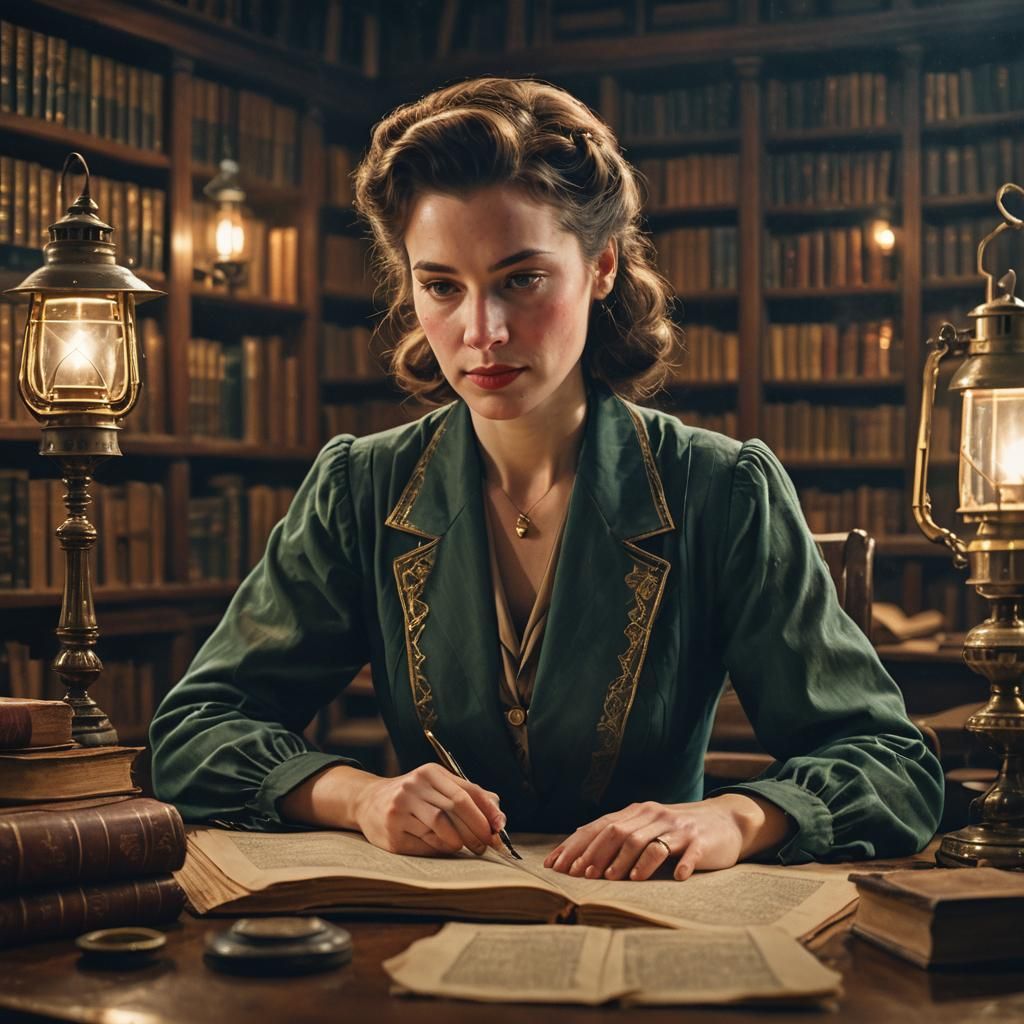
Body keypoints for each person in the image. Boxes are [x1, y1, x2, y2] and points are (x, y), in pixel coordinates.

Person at [149, 77, 943, 884]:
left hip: (661, 933)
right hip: (417, 937)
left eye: (520, 279)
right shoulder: (362, 486)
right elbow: (196, 731)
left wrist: (732, 816)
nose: (481, 333)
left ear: (600, 267)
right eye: (442, 287)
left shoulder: (720, 488)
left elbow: (891, 764)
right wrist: (357, 796)